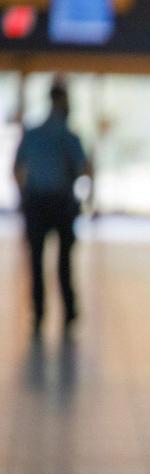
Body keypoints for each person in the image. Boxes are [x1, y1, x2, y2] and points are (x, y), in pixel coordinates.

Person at [13, 82, 90, 334]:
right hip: (60, 204)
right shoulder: (68, 136)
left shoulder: (33, 133)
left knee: (36, 261)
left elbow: (17, 169)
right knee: (64, 262)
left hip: (36, 203)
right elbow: (84, 169)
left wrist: (24, 196)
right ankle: (68, 314)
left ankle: (39, 315)